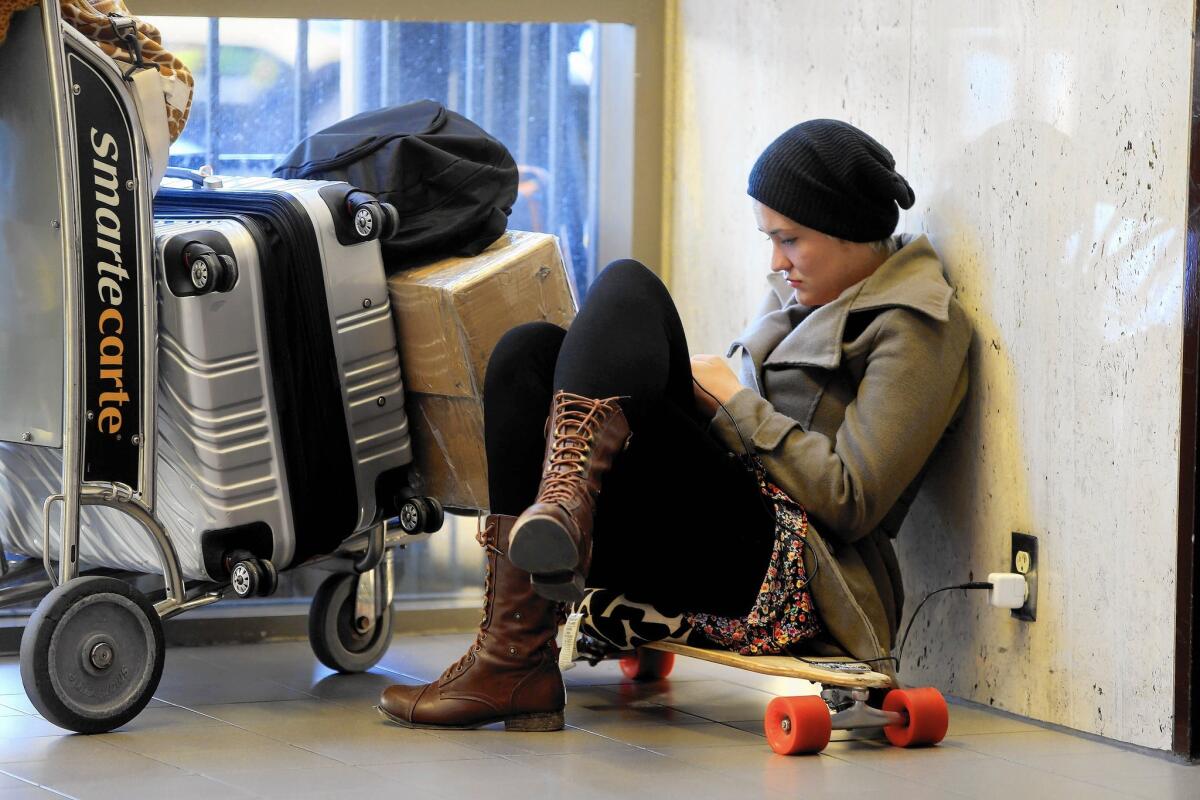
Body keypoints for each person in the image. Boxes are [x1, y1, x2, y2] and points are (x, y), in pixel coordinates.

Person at [377, 119, 972, 733]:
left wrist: (732, 402)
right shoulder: (805, 296)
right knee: (526, 352)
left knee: (628, 285)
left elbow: (853, 501)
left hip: (795, 578)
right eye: (770, 238)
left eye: (790, 239)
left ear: (848, 229)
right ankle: (515, 654)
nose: (776, 260)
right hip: (716, 538)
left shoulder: (918, 324)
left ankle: (560, 519)